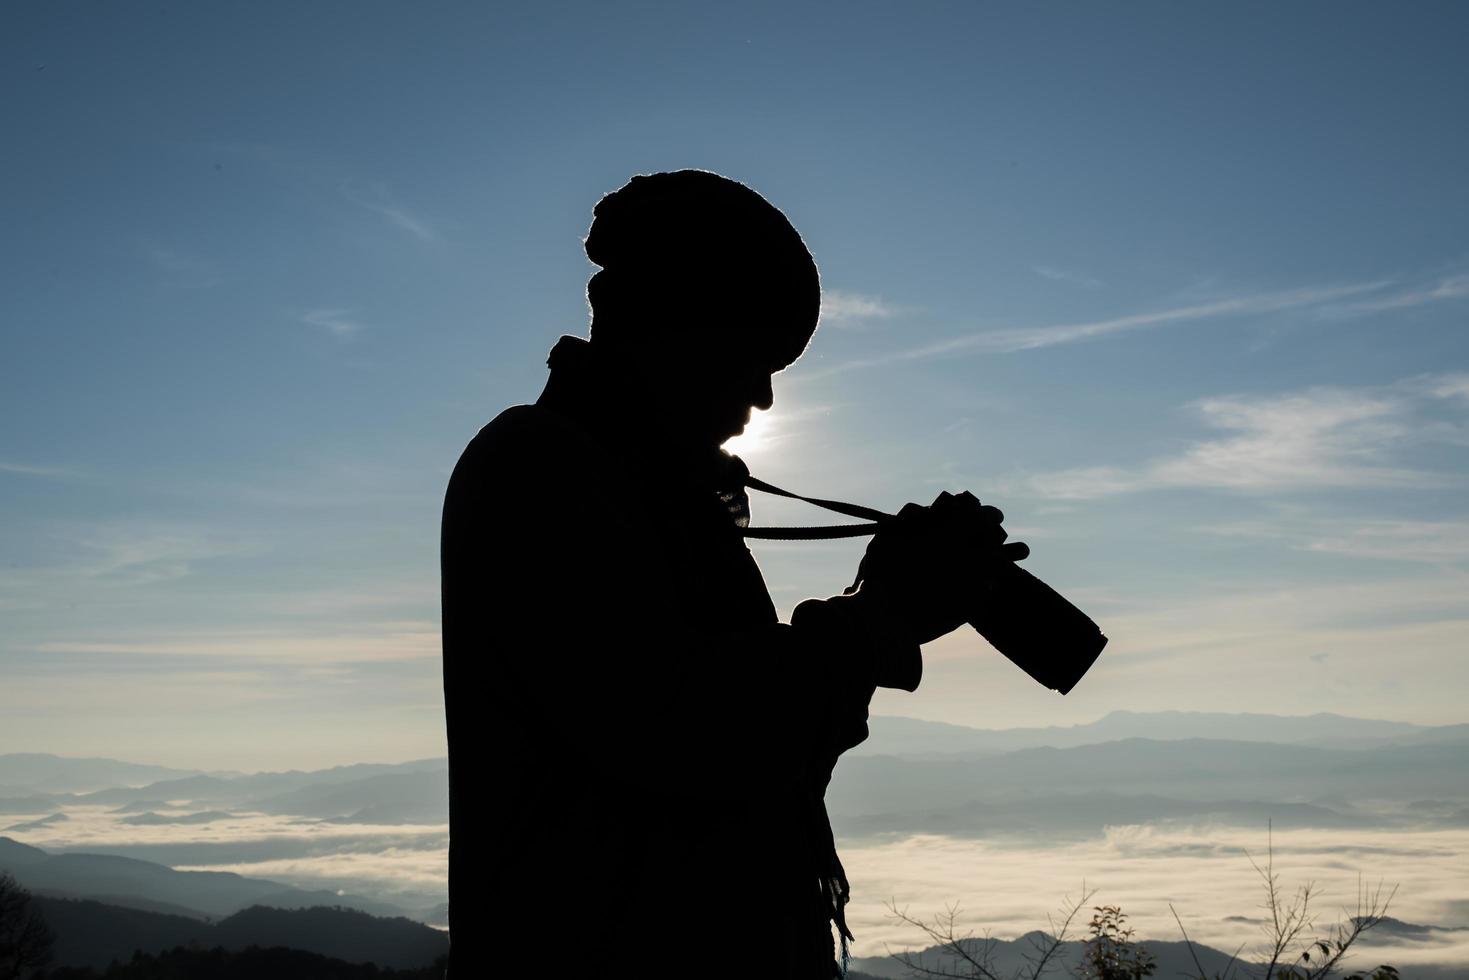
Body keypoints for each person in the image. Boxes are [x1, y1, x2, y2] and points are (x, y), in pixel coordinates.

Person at [440, 170, 1014, 978]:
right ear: (678, 324)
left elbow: (753, 755)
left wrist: (876, 605)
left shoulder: (639, 484)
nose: (767, 397)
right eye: (755, 357)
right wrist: (881, 616)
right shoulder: (541, 468)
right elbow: (681, 731)